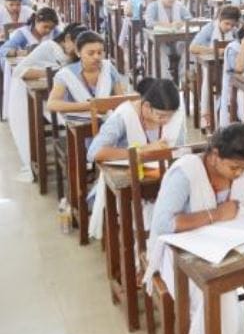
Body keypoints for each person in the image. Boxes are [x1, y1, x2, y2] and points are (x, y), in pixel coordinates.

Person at [145, 123, 244, 334]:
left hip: (228, 246)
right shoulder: (185, 172)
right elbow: (163, 223)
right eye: (234, 168)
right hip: (182, 254)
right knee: (220, 293)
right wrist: (216, 214)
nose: (239, 174)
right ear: (215, 155)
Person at [86, 78, 186, 239]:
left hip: (161, 177)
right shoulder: (124, 115)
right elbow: (94, 152)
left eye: (170, 116)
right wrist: (141, 151)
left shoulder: (175, 115)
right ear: (146, 106)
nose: (166, 121)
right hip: (129, 180)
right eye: (161, 116)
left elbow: (180, 151)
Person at [8, 23, 87, 181]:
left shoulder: (78, 55)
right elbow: (19, 71)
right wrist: (53, 74)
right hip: (49, 101)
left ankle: (87, 159)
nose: (78, 52)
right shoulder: (48, 47)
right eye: (77, 46)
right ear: (67, 39)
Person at [46, 31, 125, 114]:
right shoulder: (66, 74)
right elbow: (52, 104)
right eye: (91, 53)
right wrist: (90, 106)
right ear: (78, 53)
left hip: (106, 117)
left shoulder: (108, 68)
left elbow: (121, 100)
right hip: (78, 120)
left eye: (100, 52)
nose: (96, 57)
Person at [189, 6, 241, 128]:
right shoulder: (209, 28)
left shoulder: (234, 31)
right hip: (205, 67)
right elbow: (192, 48)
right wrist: (215, 51)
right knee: (208, 76)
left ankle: (231, 114)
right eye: (227, 23)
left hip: (224, 67)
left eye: (232, 25)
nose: (229, 27)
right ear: (219, 19)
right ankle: (206, 114)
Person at [144, 0, 192, 80]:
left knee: (190, 49)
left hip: (178, 42)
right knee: (159, 52)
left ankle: (184, 80)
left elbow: (189, 19)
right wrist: (168, 25)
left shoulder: (179, 5)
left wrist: (181, 23)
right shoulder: (153, 6)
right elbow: (149, 23)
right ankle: (165, 81)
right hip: (160, 43)